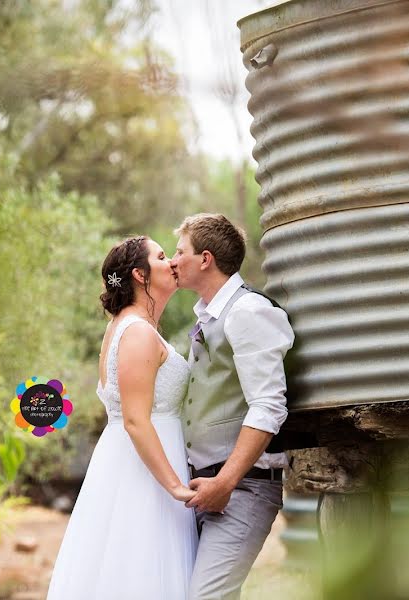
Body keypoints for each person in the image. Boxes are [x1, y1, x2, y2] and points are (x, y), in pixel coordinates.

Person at [46, 235, 198, 600]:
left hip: (135, 462)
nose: (172, 263)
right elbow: (134, 420)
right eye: (162, 257)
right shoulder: (138, 333)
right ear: (140, 275)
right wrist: (175, 486)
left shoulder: (130, 327)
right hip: (145, 474)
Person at [170, 213, 294, 600]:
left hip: (243, 488)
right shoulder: (211, 316)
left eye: (179, 251)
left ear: (205, 259)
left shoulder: (248, 312)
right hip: (203, 488)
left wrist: (225, 482)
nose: (173, 261)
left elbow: (268, 405)